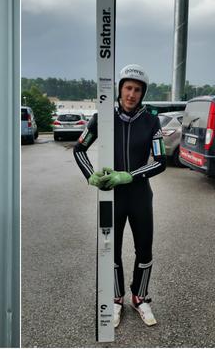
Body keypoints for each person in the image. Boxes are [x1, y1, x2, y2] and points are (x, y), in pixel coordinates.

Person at [73, 64, 166, 327]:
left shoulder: (151, 121)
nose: (131, 94)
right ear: (119, 89)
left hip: (139, 196)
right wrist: (91, 175)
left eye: (137, 90)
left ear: (142, 93)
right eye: (128, 88)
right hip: (110, 197)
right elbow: (79, 149)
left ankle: (140, 297)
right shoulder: (102, 117)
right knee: (110, 251)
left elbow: (160, 161)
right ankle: (115, 300)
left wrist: (129, 175)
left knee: (144, 250)